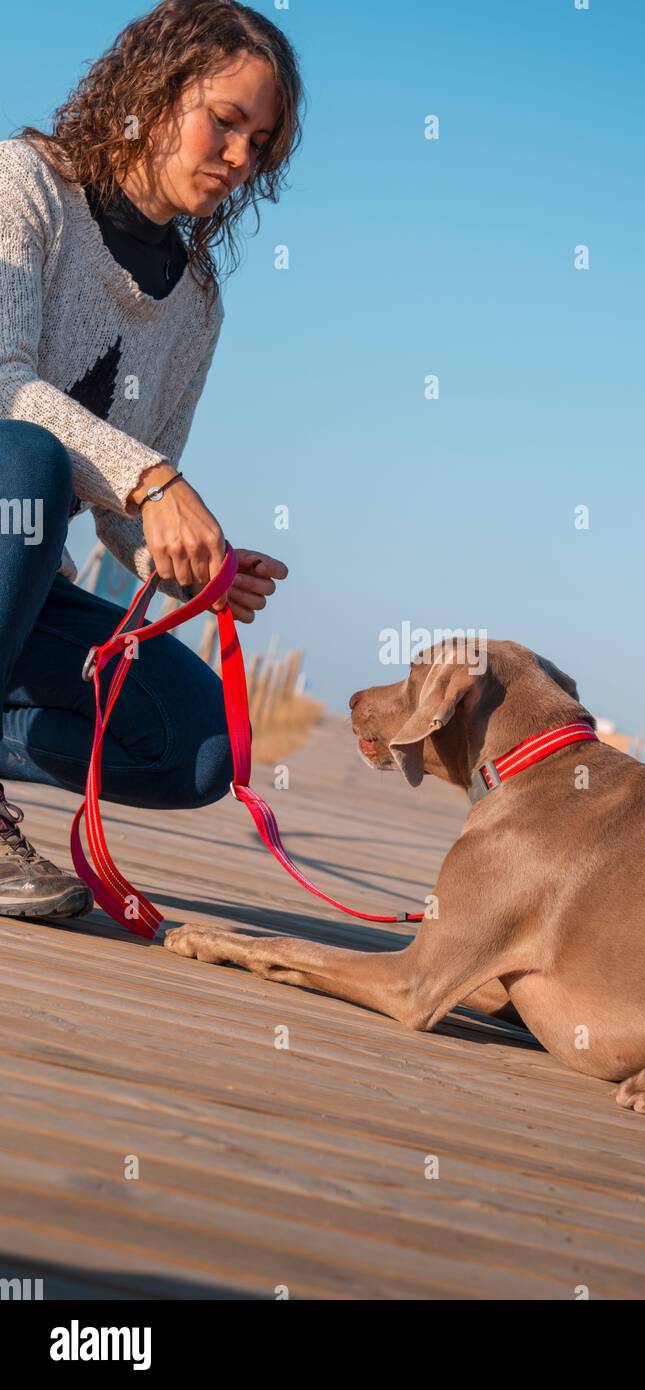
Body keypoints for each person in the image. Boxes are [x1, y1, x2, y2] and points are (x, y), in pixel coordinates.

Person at [0, 0, 304, 919]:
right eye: (225, 121)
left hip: (24, 587)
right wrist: (155, 482)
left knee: (200, 743)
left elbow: (122, 507)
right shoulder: (27, 184)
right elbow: (2, 378)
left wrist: (189, 566)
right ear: (155, 92)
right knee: (26, 461)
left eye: (262, 141)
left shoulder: (198, 306)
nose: (240, 157)